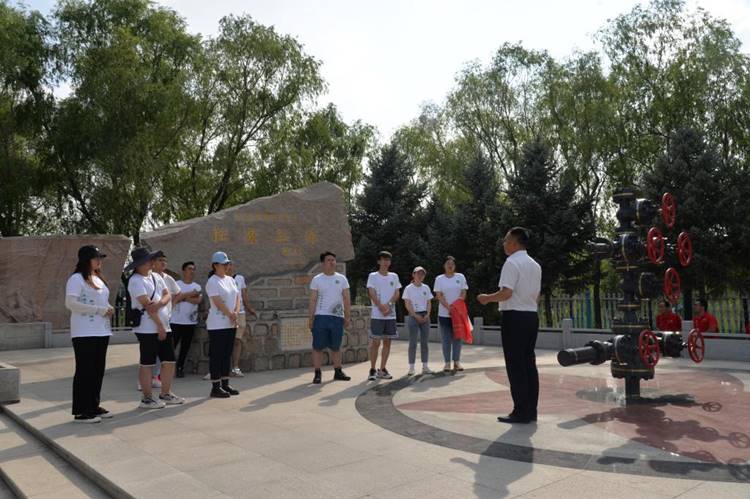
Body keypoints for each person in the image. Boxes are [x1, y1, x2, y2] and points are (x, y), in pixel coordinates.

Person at [478, 227, 541, 424]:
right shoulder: (535, 265)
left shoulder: (512, 262)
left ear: (514, 242)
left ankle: (520, 411)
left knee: (516, 365)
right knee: (529, 364)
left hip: (514, 317)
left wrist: (487, 298)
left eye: (506, 240)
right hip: (531, 316)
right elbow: (536, 295)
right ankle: (531, 410)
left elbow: (506, 293)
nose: (504, 244)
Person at [126, 247, 184, 408]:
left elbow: (167, 294)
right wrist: (159, 326)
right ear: (139, 264)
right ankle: (147, 398)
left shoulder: (156, 276)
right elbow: (147, 305)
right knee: (147, 363)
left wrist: (160, 304)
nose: (151, 263)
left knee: (169, 360)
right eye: (147, 260)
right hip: (147, 328)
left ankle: (166, 393)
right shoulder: (135, 280)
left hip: (164, 325)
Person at [65, 245, 114, 423]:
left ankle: (93, 406)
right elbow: (71, 303)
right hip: (84, 332)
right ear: (86, 260)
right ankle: (81, 411)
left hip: (102, 331)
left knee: (97, 370)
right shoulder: (76, 279)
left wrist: (108, 308)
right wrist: (99, 310)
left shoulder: (97, 278)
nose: (99, 261)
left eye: (100, 258)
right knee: (85, 371)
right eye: (96, 258)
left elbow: (102, 300)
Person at [308, 251, 352, 384]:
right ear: (323, 263)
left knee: (336, 346)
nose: (332, 262)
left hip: (337, 317)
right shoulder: (317, 279)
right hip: (321, 316)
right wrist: (311, 318)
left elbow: (346, 298)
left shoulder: (342, 279)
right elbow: (313, 300)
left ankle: (338, 371)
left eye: (333, 260)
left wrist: (347, 316)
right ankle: (317, 373)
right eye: (328, 260)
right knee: (318, 347)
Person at [206, 251, 241, 398]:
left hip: (230, 323)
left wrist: (236, 313)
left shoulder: (230, 280)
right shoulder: (212, 282)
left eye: (227, 264)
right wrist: (229, 314)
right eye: (223, 264)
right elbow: (217, 301)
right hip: (217, 324)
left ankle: (225, 383)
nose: (227, 266)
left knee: (227, 354)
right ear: (215, 265)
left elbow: (237, 297)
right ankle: (215, 386)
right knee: (217, 355)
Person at [366, 251, 401, 381]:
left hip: (390, 315)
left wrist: (389, 305)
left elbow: (397, 293)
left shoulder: (394, 276)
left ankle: (382, 369)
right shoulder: (373, 276)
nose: (386, 262)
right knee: (375, 343)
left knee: (387, 342)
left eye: (388, 260)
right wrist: (380, 306)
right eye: (383, 259)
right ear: (379, 261)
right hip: (377, 315)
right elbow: (371, 292)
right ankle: (372, 369)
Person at [434, 256, 468, 373]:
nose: (450, 265)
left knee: (458, 338)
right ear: (444, 266)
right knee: (446, 339)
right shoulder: (439, 279)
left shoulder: (460, 277)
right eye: (448, 263)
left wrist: (455, 307)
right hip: (444, 314)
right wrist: (449, 308)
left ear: (455, 266)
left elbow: (463, 293)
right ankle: (447, 363)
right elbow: (439, 295)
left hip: (458, 314)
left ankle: (457, 362)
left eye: (452, 264)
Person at [171, 261, 202, 378]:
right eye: (189, 269)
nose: (192, 271)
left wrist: (183, 298)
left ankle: (180, 368)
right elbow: (173, 299)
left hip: (190, 322)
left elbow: (198, 300)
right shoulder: (176, 285)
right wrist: (190, 294)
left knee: (185, 347)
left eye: (193, 269)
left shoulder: (197, 287)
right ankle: (165, 370)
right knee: (171, 346)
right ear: (183, 271)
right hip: (175, 321)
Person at [402, 266, 433, 376]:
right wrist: (415, 315)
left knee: (425, 343)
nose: (420, 276)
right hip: (413, 316)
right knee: (413, 343)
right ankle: (411, 367)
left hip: (425, 316)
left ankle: (425, 366)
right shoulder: (408, 288)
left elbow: (429, 303)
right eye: (418, 273)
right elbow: (407, 303)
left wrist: (428, 314)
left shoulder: (426, 288)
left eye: (422, 274)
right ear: (413, 275)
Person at [228, 262, 257, 377]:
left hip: (240, 313)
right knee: (226, 341)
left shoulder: (239, 278)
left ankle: (235, 367)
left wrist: (249, 308)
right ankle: (223, 368)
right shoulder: (220, 279)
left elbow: (244, 295)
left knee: (237, 340)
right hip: (226, 313)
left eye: (230, 265)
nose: (229, 267)